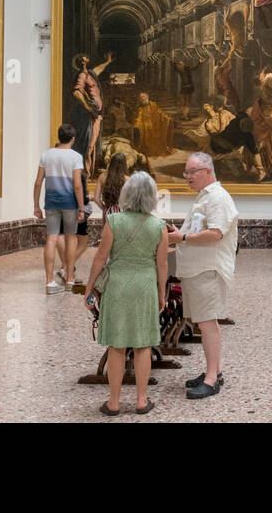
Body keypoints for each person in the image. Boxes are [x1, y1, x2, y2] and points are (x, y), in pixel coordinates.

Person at [84, 171, 167, 416]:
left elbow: (101, 257)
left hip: (118, 285)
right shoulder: (158, 226)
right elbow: (161, 265)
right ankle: (142, 400)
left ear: (126, 194)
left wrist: (89, 288)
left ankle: (114, 402)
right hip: (144, 286)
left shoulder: (115, 221)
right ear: (152, 196)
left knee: (117, 345)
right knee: (143, 345)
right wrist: (161, 293)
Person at [167, 152, 239, 399]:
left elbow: (215, 233)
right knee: (204, 322)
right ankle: (214, 371)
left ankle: (211, 380)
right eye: (186, 172)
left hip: (208, 269)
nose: (187, 177)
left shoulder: (218, 198)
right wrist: (180, 233)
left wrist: (182, 237)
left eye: (192, 171)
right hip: (197, 269)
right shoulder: (205, 197)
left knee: (207, 323)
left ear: (208, 171)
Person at [33, 124, 85, 294]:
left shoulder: (46, 155)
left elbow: (38, 182)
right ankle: (70, 280)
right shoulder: (76, 157)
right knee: (71, 238)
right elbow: (77, 185)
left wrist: (36, 205)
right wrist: (81, 207)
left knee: (51, 239)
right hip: (69, 202)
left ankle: (49, 282)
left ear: (59, 137)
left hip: (51, 202)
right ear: (73, 139)